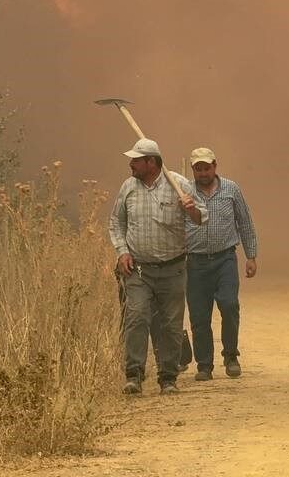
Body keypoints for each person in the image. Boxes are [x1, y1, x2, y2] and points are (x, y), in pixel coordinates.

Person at [109, 138, 205, 395]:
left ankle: (168, 377)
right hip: (138, 269)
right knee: (136, 317)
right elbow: (116, 224)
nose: (131, 164)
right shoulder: (128, 186)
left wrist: (191, 208)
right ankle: (133, 375)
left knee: (171, 324)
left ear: (151, 162)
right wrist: (122, 252)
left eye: (136, 160)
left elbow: (201, 218)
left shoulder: (179, 184)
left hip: (172, 269)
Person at [185, 147, 259, 381]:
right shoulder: (185, 192)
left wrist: (251, 256)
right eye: (198, 169)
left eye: (207, 168)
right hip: (195, 262)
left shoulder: (231, 189)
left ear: (215, 166)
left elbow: (245, 222)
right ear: (193, 170)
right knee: (199, 315)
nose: (203, 173)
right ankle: (204, 365)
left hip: (225, 259)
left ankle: (230, 356)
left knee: (229, 305)